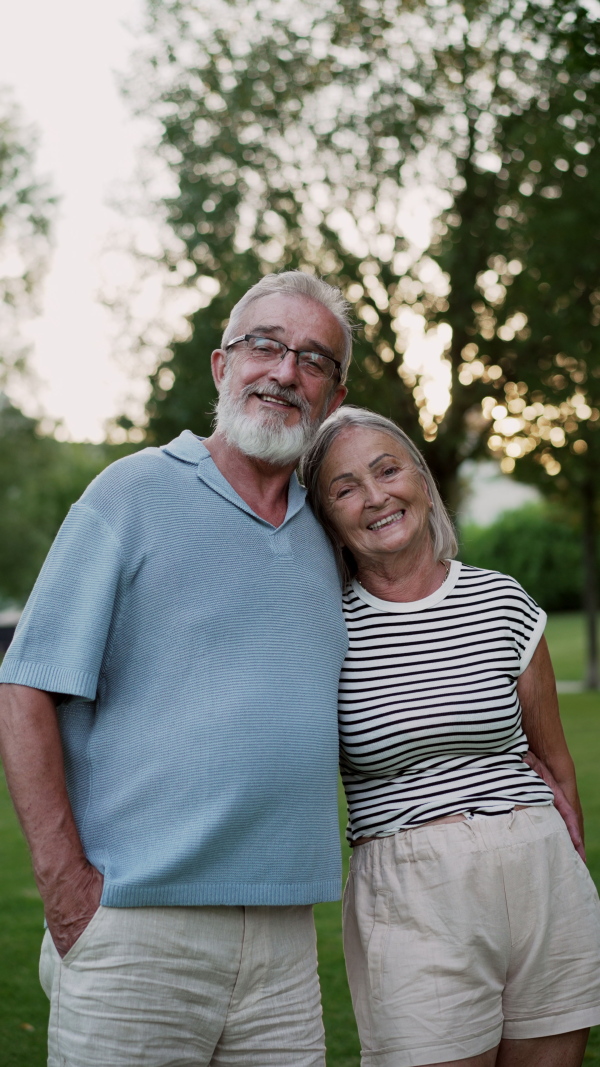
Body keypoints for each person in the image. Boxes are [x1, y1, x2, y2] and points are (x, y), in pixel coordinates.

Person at [0, 271, 350, 1067]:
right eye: (264, 344)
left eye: (313, 358)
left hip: (287, 946)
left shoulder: (328, 537)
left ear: (331, 397)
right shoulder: (130, 492)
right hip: (135, 927)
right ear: (222, 367)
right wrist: (67, 890)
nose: (285, 371)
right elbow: (23, 687)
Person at [301, 405, 600, 1067]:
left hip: (538, 869)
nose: (375, 495)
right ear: (326, 518)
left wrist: (563, 852)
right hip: (409, 892)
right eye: (345, 487)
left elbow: (555, 764)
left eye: (387, 470)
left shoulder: (504, 602)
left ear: (422, 480)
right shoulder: (322, 630)